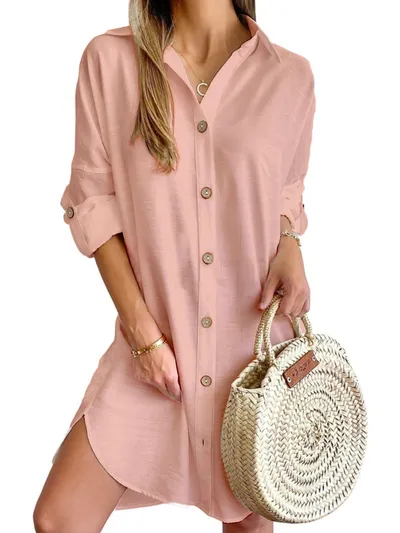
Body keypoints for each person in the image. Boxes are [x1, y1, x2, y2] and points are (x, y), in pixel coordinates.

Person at [33, 0, 316, 531]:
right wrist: (143, 337)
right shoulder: (110, 61)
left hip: (251, 365)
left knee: (248, 525)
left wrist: (289, 244)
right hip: (156, 354)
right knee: (60, 517)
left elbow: (285, 191)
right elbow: (94, 205)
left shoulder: (290, 76)